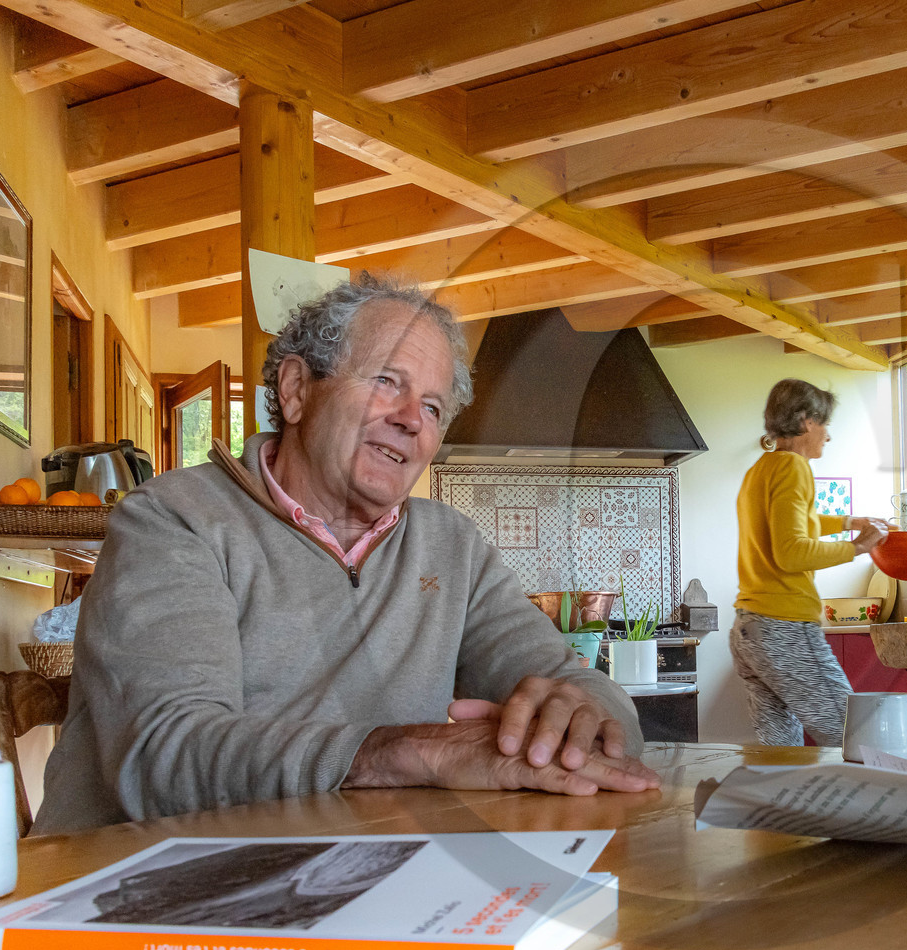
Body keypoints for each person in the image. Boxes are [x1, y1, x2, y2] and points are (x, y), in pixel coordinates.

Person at [34, 276, 657, 835]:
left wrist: (580, 719)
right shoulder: (174, 521)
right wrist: (402, 751)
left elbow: (576, 687)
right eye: (388, 381)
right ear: (298, 389)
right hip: (133, 892)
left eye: (434, 408)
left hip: (357, 874)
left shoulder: (450, 546)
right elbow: (164, 758)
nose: (413, 420)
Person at [729, 379, 889, 746]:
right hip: (784, 627)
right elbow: (792, 552)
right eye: (824, 424)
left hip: (749, 630)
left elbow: (793, 524)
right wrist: (858, 548)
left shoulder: (760, 470)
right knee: (858, 738)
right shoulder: (795, 468)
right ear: (805, 421)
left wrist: (850, 523)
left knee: (780, 753)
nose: (827, 436)